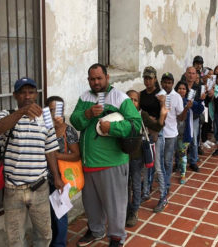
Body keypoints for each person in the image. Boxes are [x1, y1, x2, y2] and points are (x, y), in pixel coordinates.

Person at [70, 63, 141, 247]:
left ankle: (117, 238)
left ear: (107, 78)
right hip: (88, 163)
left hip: (112, 163)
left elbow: (136, 123)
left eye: (99, 78)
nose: (96, 82)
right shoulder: (84, 97)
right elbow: (75, 121)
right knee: (91, 203)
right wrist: (87, 113)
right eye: (92, 79)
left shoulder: (120, 98)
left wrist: (113, 128)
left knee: (115, 204)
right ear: (88, 80)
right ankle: (96, 231)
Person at [0, 78, 64, 247]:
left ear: (36, 95)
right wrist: (21, 112)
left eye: (31, 92)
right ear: (15, 95)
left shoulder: (46, 118)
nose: (27, 96)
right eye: (22, 92)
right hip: (13, 189)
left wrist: (57, 177)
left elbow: (50, 149)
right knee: (15, 239)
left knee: (45, 235)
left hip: (40, 187)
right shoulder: (6, 114)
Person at [125, 90, 168, 227]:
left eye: (135, 100)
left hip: (137, 157)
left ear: (139, 102)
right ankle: (126, 210)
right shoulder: (121, 115)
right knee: (125, 185)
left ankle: (134, 211)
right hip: (123, 157)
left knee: (137, 184)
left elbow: (155, 126)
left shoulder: (141, 114)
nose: (132, 102)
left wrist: (162, 115)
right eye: (129, 99)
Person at [45, 96, 80, 247]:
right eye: (51, 110)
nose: (54, 113)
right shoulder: (44, 128)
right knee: (48, 216)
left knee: (60, 215)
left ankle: (59, 244)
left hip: (60, 180)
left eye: (57, 109)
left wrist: (56, 154)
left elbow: (76, 155)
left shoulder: (68, 130)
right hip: (43, 179)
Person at [158, 72, 189, 212]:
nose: (166, 85)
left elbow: (181, 118)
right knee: (158, 161)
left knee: (167, 161)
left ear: (172, 83)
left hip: (171, 134)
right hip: (158, 134)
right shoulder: (158, 95)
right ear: (161, 82)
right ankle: (160, 182)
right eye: (164, 82)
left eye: (169, 82)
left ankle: (167, 185)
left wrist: (187, 108)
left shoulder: (177, 97)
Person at [138, 66, 167, 211]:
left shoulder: (160, 94)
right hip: (144, 132)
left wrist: (162, 104)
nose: (147, 81)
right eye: (145, 78)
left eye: (150, 78)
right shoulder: (141, 94)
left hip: (156, 133)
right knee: (145, 165)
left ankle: (163, 196)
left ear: (155, 79)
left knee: (158, 166)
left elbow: (164, 113)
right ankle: (145, 193)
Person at [174, 81, 204, 184]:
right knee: (176, 152)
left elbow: (200, 109)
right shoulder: (172, 101)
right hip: (172, 132)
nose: (181, 90)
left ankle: (183, 175)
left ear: (186, 91)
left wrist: (200, 100)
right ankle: (176, 165)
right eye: (179, 88)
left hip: (185, 133)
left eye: (183, 89)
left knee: (182, 153)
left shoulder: (189, 102)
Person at [183, 67, 205, 172]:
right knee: (181, 139)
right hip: (182, 117)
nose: (191, 75)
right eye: (189, 73)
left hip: (194, 117)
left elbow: (203, 102)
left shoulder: (200, 88)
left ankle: (193, 161)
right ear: (185, 74)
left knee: (194, 140)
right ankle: (180, 161)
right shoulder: (181, 85)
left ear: (196, 75)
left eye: (193, 73)